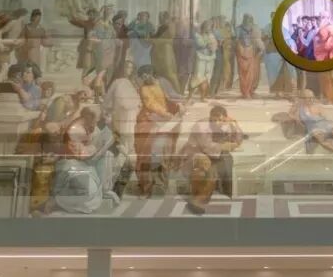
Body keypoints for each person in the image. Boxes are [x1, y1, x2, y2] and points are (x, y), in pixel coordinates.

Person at [52, 108, 119, 214]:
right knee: (89, 192)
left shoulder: (87, 126)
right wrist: (96, 148)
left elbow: (90, 144)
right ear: (88, 118)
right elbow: (81, 155)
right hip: (72, 163)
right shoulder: (75, 130)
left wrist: (101, 146)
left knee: (107, 155)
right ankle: (58, 201)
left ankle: (104, 190)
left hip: (84, 163)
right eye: (95, 121)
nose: (96, 123)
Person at [182, 105, 244, 214]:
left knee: (226, 161)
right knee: (210, 170)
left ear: (225, 118)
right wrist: (224, 146)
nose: (216, 123)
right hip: (196, 153)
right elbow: (206, 146)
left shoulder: (226, 125)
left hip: (213, 154)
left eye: (220, 120)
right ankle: (198, 201)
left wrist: (234, 124)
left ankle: (224, 193)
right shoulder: (201, 126)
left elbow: (238, 140)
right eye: (213, 120)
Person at [134, 65, 183, 197]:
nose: (145, 78)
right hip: (147, 122)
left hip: (163, 122)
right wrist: (166, 114)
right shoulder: (144, 89)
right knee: (146, 154)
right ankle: (146, 187)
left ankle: (160, 185)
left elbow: (167, 99)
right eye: (143, 77)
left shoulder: (160, 83)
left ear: (152, 73)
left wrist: (178, 105)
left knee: (164, 151)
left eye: (147, 75)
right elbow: (151, 104)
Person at [103, 61, 143, 183]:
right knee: (121, 146)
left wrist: (137, 106)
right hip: (120, 119)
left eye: (130, 68)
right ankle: (116, 176)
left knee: (129, 147)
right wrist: (109, 112)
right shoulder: (117, 82)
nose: (128, 70)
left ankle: (126, 175)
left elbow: (137, 101)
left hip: (130, 119)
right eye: (126, 67)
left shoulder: (131, 83)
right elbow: (111, 101)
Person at [292, 90, 333, 156]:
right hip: (314, 128)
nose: (311, 99)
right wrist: (296, 119)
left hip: (325, 124)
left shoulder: (317, 105)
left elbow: (325, 117)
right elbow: (291, 115)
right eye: (309, 98)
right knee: (322, 140)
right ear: (303, 99)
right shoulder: (299, 107)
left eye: (312, 97)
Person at [262, 13, 296, 97]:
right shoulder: (267, 28)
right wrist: (268, 37)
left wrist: (291, 47)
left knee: (282, 73)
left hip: (281, 54)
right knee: (273, 74)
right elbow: (262, 38)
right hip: (271, 54)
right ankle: (276, 92)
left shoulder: (283, 29)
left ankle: (283, 91)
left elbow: (289, 40)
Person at [187, 20, 217, 102]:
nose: (209, 28)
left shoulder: (211, 35)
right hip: (201, 58)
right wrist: (208, 44)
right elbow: (200, 44)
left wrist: (213, 47)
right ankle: (189, 97)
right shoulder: (197, 35)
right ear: (204, 26)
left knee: (207, 78)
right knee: (197, 77)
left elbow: (215, 44)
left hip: (210, 59)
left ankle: (202, 97)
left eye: (210, 26)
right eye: (208, 26)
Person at [235, 14, 264, 99]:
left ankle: (250, 91)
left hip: (251, 51)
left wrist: (259, 49)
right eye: (247, 19)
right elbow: (237, 41)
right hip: (242, 51)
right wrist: (241, 50)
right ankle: (245, 92)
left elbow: (257, 40)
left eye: (250, 19)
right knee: (243, 74)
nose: (249, 21)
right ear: (244, 19)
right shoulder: (238, 29)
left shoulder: (253, 28)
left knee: (251, 74)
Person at [151, 11, 179, 92]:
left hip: (166, 51)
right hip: (158, 52)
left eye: (161, 17)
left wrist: (155, 40)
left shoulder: (170, 25)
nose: (160, 19)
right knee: (159, 73)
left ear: (166, 18)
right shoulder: (162, 26)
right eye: (159, 17)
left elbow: (170, 39)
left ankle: (178, 92)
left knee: (169, 73)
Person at [67, 7, 99, 77]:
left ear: (96, 15)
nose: (91, 16)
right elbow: (76, 22)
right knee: (87, 64)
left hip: (97, 45)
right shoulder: (86, 23)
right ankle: (84, 77)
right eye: (90, 14)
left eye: (93, 14)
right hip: (88, 45)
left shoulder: (99, 23)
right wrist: (71, 15)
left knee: (95, 64)